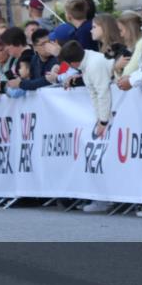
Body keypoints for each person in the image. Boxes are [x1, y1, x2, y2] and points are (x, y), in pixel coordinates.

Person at [57, 41, 115, 213]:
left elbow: (102, 92)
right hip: (104, 113)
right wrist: (99, 118)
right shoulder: (87, 61)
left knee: (105, 157)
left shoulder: (94, 64)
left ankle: (106, 199)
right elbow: (93, 92)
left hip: (110, 112)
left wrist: (103, 121)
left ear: (72, 63)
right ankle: (102, 197)